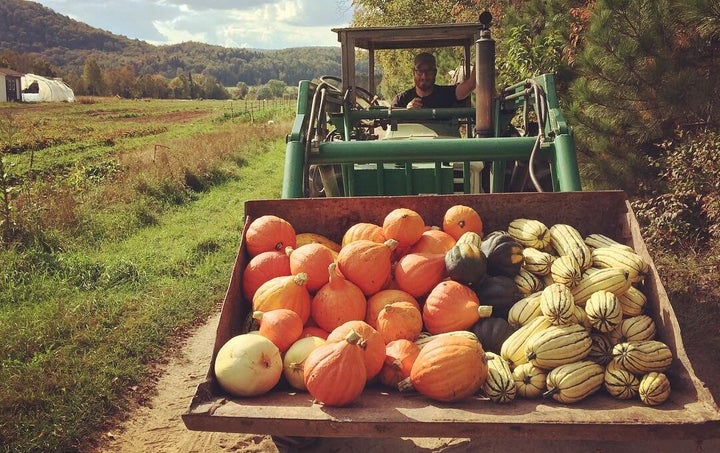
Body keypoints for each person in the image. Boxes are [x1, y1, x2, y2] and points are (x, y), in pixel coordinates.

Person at [391, 52, 476, 109]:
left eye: (429, 71)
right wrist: (406, 112)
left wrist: (483, 48)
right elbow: (390, 123)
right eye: (420, 71)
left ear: (435, 72)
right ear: (414, 72)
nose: (424, 76)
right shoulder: (401, 100)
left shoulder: (447, 94)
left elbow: (471, 84)